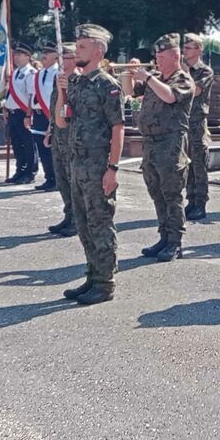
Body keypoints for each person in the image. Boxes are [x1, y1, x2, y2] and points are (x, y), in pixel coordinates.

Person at [55, 24, 124, 305]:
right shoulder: (76, 82)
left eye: (82, 47)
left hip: (98, 165)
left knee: (100, 223)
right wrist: (61, 92)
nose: (76, 51)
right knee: (83, 224)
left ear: (98, 51)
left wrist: (113, 168)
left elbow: (118, 128)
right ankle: (92, 276)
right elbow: (62, 122)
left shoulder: (107, 85)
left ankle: (105, 284)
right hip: (77, 164)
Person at [127, 34, 195, 262]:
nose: (157, 60)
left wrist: (147, 77)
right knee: (156, 193)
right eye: (156, 56)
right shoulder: (155, 78)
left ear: (175, 56)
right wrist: (130, 74)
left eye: (161, 56)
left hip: (170, 144)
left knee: (171, 194)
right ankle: (164, 237)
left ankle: (175, 242)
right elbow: (130, 92)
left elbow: (169, 97)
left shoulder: (183, 80)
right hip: (151, 144)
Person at [46, 43, 78, 237]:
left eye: (65, 57)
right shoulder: (58, 79)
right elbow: (54, 107)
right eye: (60, 57)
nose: (61, 61)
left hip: (72, 135)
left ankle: (77, 219)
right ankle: (69, 214)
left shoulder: (78, 81)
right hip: (58, 133)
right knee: (61, 178)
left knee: (73, 178)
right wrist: (50, 128)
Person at [182, 33, 214, 220]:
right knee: (187, 164)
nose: (184, 51)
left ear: (198, 50)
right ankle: (191, 200)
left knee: (199, 164)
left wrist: (185, 72)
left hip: (197, 122)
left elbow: (195, 90)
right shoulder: (182, 69)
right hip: (182, 121)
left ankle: (200, 203)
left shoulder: (205, 71)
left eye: (188, 48)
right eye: (184, 48)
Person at [4, 42, 38, 184]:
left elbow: (31, 96)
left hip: (23, 113)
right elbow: (10, 93)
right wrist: (6, 107)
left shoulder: (30, 73)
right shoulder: (15, 72)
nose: (16, 57)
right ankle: (20, 170)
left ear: (27, 57)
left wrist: (28, 115)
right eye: (16, 54)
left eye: (20, 55)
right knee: (17, 144)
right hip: (13, 113)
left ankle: (30, 172)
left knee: (28, 144)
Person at [31, 43, 60, 191]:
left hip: (51, 114)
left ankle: (57, 179)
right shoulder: (39, 73)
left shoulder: (58, 73)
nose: (44, 55)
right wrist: (28, 114)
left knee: (52, 149)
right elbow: (33, 95)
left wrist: (53, 117)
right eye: (43, 52)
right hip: (38, 115)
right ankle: (49, 178)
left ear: (56, 56)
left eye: (48, 52)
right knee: (42, 149)